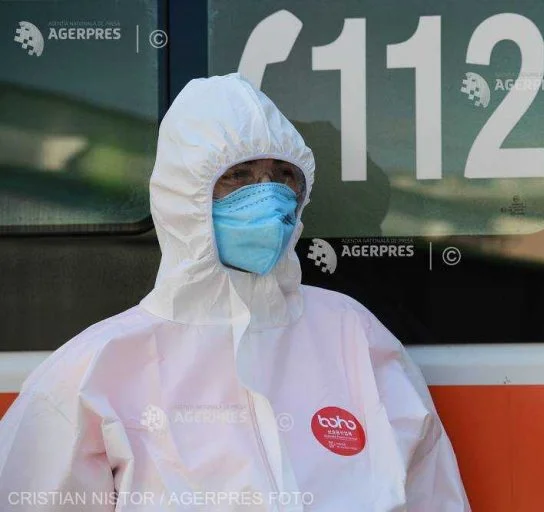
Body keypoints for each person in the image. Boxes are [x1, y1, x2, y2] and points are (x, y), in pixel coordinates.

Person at [0, 72, 470, 511]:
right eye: (239, 175)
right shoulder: (95, 369)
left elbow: (431, 492)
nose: (268, 194)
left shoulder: (353, 336)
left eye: (283, 176)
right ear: (184, 194)